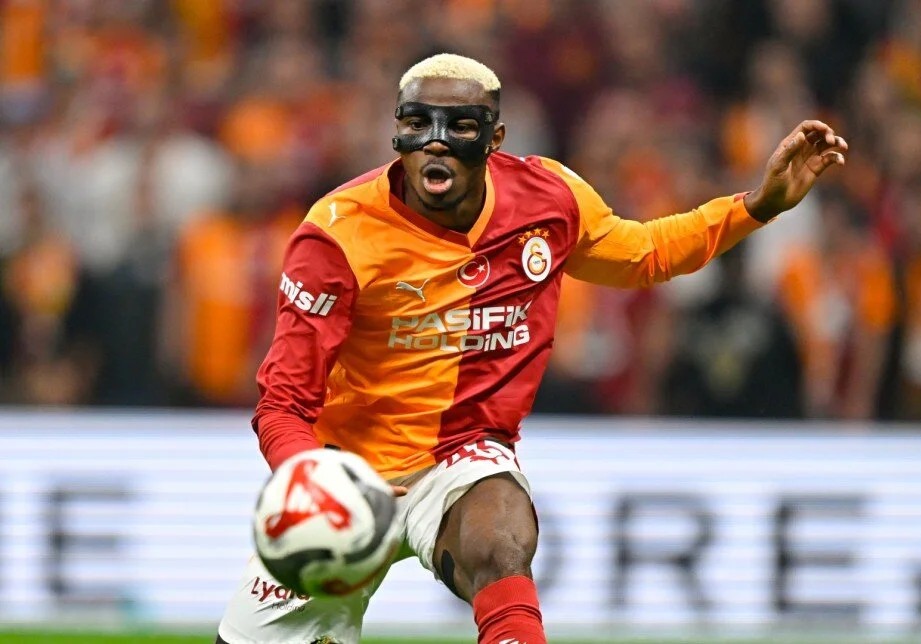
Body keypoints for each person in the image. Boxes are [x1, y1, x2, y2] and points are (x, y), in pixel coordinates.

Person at [215, 53, 848, 644]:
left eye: (459, 126)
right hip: (348, 473)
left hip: (464, 454)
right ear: (397, 133)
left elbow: (644, 253)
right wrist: (313, 480)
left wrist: (756, 206)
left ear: (494, 138)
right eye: (417, 123)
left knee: (501, 542)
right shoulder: (336, 236)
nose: (435, 141)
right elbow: (283, 402)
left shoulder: (549, 199)